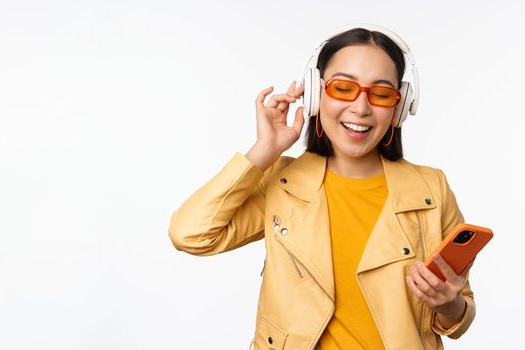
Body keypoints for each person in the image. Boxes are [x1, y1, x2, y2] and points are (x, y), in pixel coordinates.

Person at [168, 25, 476, 350]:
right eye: (343, 87)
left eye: (382, 94)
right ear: (316, 93)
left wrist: (448, 304)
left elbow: (458, 316)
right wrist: (264, 150)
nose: (361, 108)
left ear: (399, 108)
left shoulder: (431, 189)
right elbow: (190, 234)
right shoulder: (282, 183)